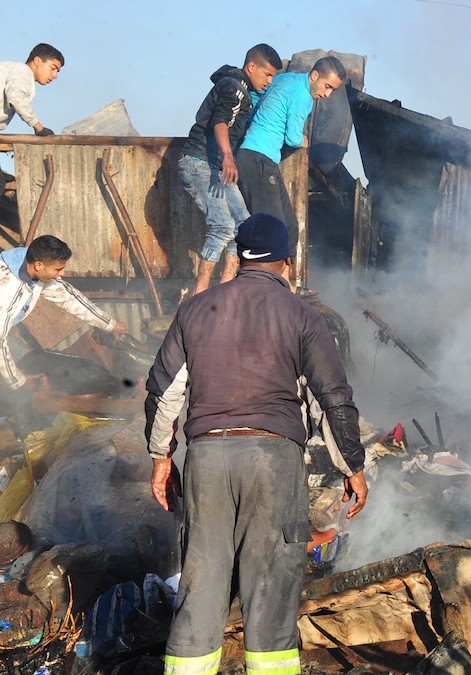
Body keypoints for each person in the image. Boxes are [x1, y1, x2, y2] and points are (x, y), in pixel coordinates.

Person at [145, 213, 368, 674]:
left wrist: (161, 459)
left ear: (239, 258)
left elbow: (164, 391)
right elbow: (333, 399)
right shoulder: (303, 316)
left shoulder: (196, 309)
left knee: (201, 584)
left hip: (206, 457)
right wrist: (353, 467)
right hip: (273, 457)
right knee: (270, 586)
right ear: (287, 261)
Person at [179, 44, 282, 294]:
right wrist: (228, 156)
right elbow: (220, 121)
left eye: (273, 77)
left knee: (243, 227)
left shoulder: (242, 89)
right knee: (223, 226)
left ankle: (226, 293)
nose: (269, 81)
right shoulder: (235, 88)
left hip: (214, 165)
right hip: (199, 162)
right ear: (251, 67)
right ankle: (199, 296)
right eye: (267, 74)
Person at [0, 235, 129, 417]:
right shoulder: (5, 289)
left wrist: (110, 324)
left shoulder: (29, 263)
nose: (62, 274)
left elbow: (68, 296)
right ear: (39, 265)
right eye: (58, 269)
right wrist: (18, 382)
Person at [236, 56, 346, 262]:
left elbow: (255, 96)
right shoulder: (303, 97)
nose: (327, 94)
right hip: (257, 157)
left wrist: (251, 120)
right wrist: (303, 141)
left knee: (289, 226)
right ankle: (263, 285)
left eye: (333, 90)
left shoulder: (285, 79)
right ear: (314, 75)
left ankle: (288, 284)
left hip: (262, 159)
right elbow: (293, 137)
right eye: (327, 86)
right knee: (271, 230)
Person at [0, 44, 63, 135]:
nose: (55, 75)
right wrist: (39, 128)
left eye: (57, 71)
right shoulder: (22, 71)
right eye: (53, 68)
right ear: (37, 61)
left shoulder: (11, 69)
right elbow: (16, 98)